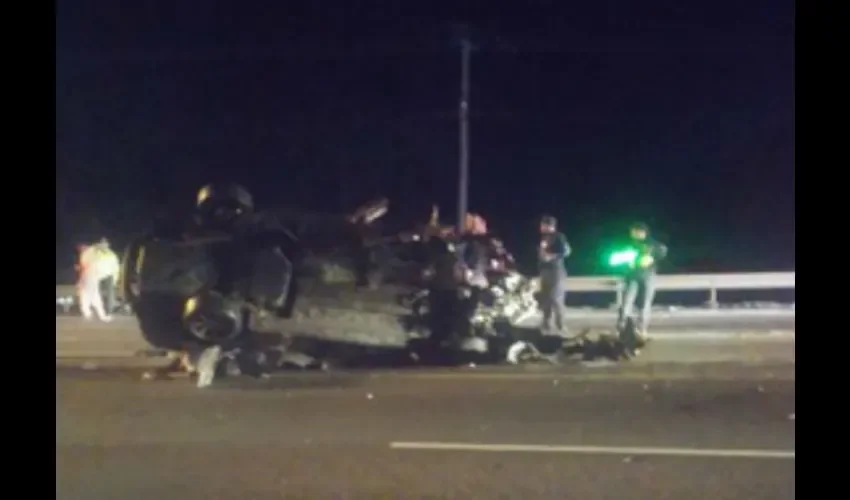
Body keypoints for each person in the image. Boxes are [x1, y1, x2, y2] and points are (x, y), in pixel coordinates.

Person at [617, 222, 668, 337]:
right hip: (631, 276)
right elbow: (619, 257)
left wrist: (651, 257)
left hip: (648, 275)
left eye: (636, 232)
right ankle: (622, 328)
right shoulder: (628, 244)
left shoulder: (652, 244)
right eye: (632, 232)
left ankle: (641, 329)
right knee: (626, 303)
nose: (633, 234)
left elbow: (662, 251)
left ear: (643, 232)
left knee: (644, 304)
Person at [537, 215, 571, 334]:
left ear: (550, 226)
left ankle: (560, 325)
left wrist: (551, 256)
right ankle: (546, 324)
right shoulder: (543, 238)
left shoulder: (559, 237)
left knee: (556, 298)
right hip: (545, 271)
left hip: (556, 271)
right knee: (545, 298)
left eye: (543, 225)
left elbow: (566, 251)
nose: (541, 227)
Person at [76, 243, 112, 322]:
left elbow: (84, 268)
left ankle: (95, 314)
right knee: (88, 296)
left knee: (92, 297)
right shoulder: (86, 254)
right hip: (89, 278)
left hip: (92, 278)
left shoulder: (87, 255)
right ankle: (92, 314)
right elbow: (84, 269)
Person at [94, 238, 121, 313]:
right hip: (98, 276)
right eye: (102, 243)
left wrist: (115, 279)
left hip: (109, 276)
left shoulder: (112, 255)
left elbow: (116, 268)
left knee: (110, 294)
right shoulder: (96, 253)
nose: (104, 245)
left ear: (108, 245)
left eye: (105, 243)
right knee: (97, 293)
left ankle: (109, 309)